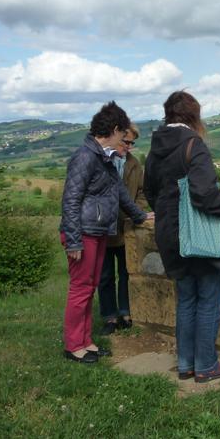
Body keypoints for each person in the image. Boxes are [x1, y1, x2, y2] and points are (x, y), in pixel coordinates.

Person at [144, 91, 220, 383]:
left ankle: (186, 363)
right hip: (197, 236)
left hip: (168, 233)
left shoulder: (155, 148)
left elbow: (150, 192)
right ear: (193, 117)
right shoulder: (193, 145)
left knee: (186, 299)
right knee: (209, 299)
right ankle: (207, 365)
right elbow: (204, 194)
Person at [60, 102, 153, 363]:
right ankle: (73, 346)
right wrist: (74, 240)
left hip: (97, 231)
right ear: (113, 130)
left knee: (89, 289)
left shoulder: (104, 157)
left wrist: (140, 215)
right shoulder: (85, 157)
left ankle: (85, 341)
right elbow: (70, 200)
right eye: (123, 133)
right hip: (83, 233)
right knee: (80, 289)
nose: (125, 139)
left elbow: (120, 193)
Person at [98, 122, 145, 335]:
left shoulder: (134, 164)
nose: (129, 147)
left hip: (127, 227)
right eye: (126, 141)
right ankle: (109, 317)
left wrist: (139, 211)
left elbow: (142, 192)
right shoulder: (101, 161)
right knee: (105, 275)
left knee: (126, 272)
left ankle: (126, 313)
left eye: (132, 143)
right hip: (104, 228)